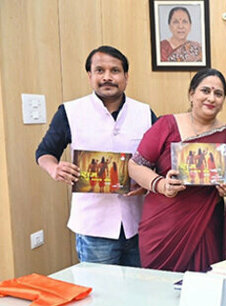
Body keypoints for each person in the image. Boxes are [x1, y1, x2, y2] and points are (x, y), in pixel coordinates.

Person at [36, 45, 157, 266]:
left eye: (115, 71)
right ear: (90, 76)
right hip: (94, 226)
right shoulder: (70, 112)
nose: (107, 77)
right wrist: (55, 168)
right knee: (101, 294)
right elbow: (44, 153)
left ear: (126, 77)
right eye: (100, 71)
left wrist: (148, 182)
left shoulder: (144, 113)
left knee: (139, 292)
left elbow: (159, 159)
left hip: (137, 223)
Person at [128, 68, 226, 272]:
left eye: (218, 93)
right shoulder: (167, 124)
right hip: (164, 223)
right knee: (159, 291)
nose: (211, 98)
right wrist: (161, 185)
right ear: (191, 94)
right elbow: (135, 165)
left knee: (202, 291)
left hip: (205, 225)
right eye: (205, 91)